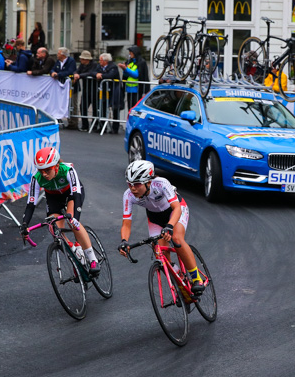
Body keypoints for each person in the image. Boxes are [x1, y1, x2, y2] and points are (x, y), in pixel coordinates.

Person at [117, 160, 204, 294]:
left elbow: (176, 208)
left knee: (176, 238)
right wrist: (124, 241)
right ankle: (179, 279)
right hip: (155, 218)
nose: (133, 188)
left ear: (148, 182)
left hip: (176, 211)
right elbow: (126, 224)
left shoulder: (161, 183)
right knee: (160, 256)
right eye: (129, 184)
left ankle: (196, 278)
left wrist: (169, 226)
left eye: (137, 184)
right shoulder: (128, 195)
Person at [19, 147, 100, 275]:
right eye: (41, 170)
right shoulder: (37, 178)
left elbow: (76, 194)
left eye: (47, 170)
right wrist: (24, 224)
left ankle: (92, 258)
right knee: (53, 227)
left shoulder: (68, 170)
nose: (44, 174)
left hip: (71, 195)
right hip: (53, 198)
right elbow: (30, 204)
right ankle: (73, 249)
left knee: (72, 223)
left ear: (56, 166)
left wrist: (74, 218)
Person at [95, 52, 123, 134]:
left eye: (100, 60)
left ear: (105, 61)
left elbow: (111, 75)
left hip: (114, 90)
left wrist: (101, 76)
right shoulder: (99, 66)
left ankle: (115, 128)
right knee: (102, 108)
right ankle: (102, 126)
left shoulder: (113, 67)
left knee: (115, 109)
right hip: (104, 90)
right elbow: (93, 72)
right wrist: (97, 74)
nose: (99, 62)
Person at [73, 50, 98, 131]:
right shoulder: (82, 65)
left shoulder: (94, 65)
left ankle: (95, 125)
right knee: (82, 106)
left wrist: (79, 75)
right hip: (86, 89)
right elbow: (77, 70)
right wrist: (76, 74)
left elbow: (91, 73)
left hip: (94, 89)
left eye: (82, 59)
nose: (80, 60)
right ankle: (85, 125)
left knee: (95, 108)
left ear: (87, 59)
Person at [118, 45, 148, 109]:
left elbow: (136, 75)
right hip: (129, 89)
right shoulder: (129, 61)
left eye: (131, 52)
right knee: (130, 107)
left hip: (137, 89)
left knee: (136, 108)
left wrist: (126, 69)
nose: (130, 53)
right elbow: (126, 75)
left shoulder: (141, 62)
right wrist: (124, 70)